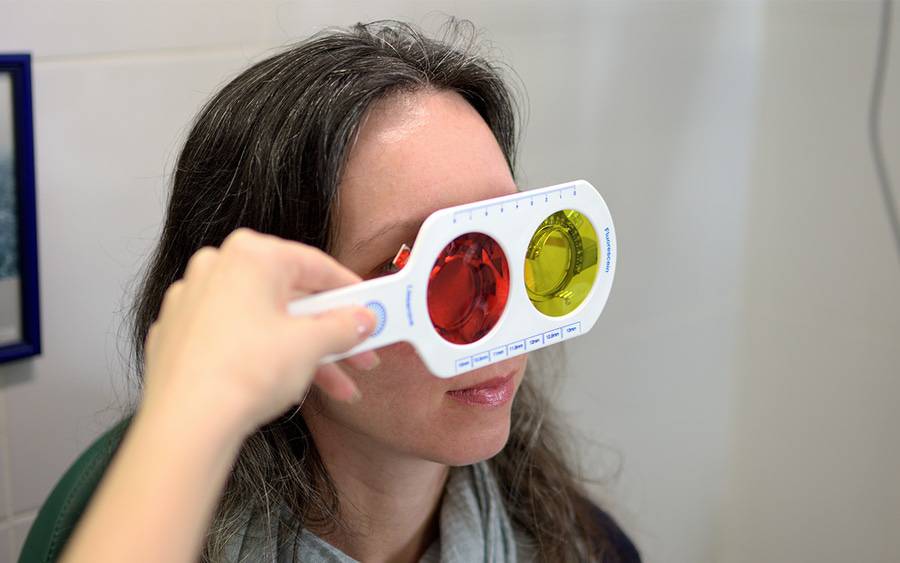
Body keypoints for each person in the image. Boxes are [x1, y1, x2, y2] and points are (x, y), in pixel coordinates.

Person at [59, 19, 641, 563]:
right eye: (444, 267)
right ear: (282, 315)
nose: (501, 317)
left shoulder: (587, 546)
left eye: (513, 240)